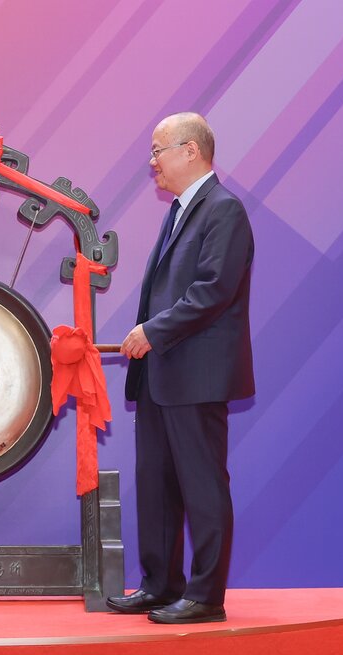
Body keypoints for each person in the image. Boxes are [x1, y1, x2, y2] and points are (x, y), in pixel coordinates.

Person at [108, 112, 254, 624]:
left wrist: (153, 331)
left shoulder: (224, 210)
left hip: (196, 374)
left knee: (202, 486)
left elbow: (213, 290)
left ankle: (205, 597)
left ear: (191, 150)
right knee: (157, 484)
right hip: (161, 376)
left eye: (158, 151)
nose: (152, 163)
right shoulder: (179, 212)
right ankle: (159, 584)